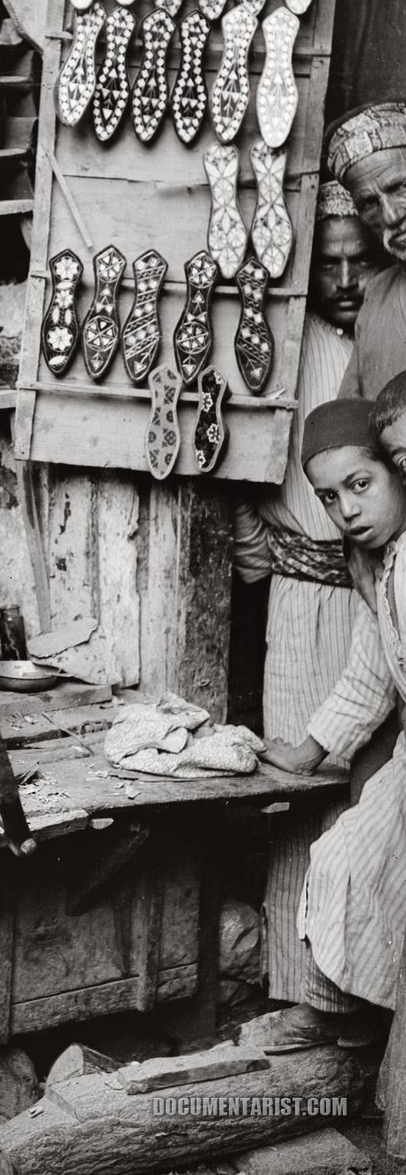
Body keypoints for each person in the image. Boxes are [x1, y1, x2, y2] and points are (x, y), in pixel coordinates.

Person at [234, 183, 383, 1005]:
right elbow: (238, 477)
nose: (343, 278)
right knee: (292, 791)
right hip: (298, 600)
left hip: (377, 598)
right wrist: (272, 556)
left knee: (363, 799)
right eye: (325, 263)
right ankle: (295, 998)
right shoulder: (281, 345)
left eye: (357, 260)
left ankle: (353, 1004)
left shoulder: (390, 341)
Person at [258, 391, 406, 1048]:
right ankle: (346, 1012)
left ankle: (368, 1023)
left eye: (360, 484)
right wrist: (309, 750)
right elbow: (371, 677)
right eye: (328, 497)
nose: (346, 509)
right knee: (342, 858)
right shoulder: (381, 566)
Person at [327, 100, 406, 399]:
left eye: (400, 186)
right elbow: (350, 422)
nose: (391, 216)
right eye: (368, 203)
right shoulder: (377, 295)